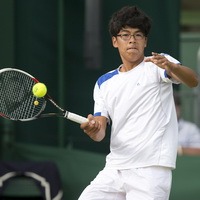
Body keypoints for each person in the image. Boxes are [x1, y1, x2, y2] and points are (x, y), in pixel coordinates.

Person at [79, 5, 199, 200]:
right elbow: (100, 131)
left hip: (151, 169)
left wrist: (170, 66)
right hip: (115, 168)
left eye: (138, 35)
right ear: (114, 41)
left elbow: (193, 81)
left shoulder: (158, 64)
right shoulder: (103, 83)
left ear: (145, 41)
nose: (132, 40)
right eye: (125, 35)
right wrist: (93, 129)